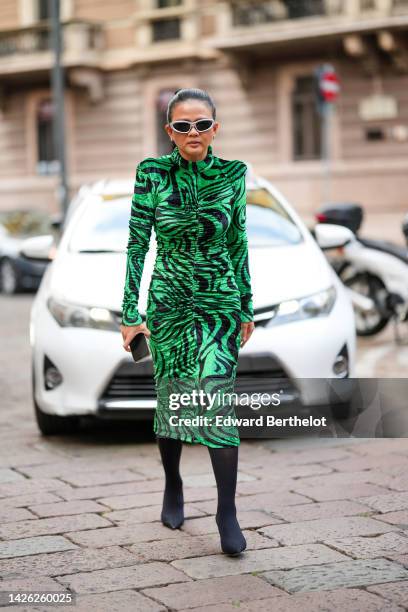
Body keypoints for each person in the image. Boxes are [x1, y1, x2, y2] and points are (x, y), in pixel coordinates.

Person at [120, 88, 255, 555]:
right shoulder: (151, 173)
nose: (193, 132)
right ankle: (174, 484)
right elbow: (138, 245)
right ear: (170, 132)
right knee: (174, 401)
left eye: (201, 124)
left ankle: (227, 512)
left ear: (215, 128)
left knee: (217, 401)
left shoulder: (235, 175)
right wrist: (129, 313)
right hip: (170, 304)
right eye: (182, 125)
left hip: (220, 301)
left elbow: (238, 241)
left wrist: (247, 305)